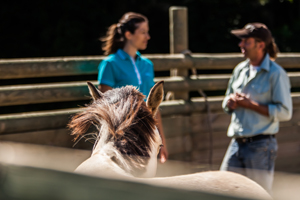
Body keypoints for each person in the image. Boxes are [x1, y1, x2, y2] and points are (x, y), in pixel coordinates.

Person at [220, 23, 292, 192]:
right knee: (222, 191)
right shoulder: (239, 70)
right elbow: (226, 101)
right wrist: (229, 103)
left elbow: (285, 112)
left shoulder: (276, 73)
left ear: (260, 45)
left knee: (259, 194)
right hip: (236, 143)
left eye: (246, 41)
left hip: (261, 146)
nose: (241, 45)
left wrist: (250, 105)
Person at [97, 12, 168, 163]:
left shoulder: (147, 65)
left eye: (147, 32)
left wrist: (161, 142)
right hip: (122, 137)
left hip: (148, 134)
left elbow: (153, 106)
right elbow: (105, 107)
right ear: (129, 35)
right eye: (143, 32)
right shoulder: (110, 64)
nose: (148, 37)